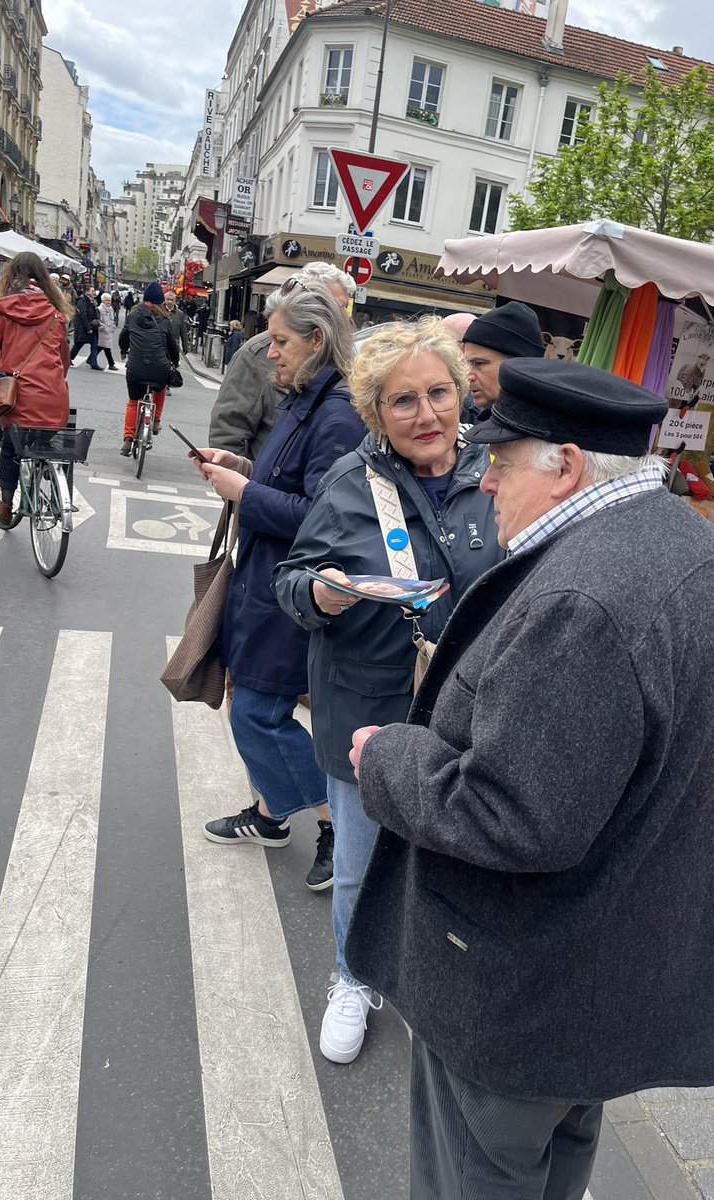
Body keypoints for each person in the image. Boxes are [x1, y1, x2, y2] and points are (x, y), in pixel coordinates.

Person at [345, 358, 714, 1200]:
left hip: (521, 988)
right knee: (556, 1163)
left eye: (500, 465)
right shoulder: (699, 554)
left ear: (566, 465)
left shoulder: (585, 598)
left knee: (475, 1177)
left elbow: (514, 816)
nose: (485, 485)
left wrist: (384, 757)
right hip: (605, 976)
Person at [274, 317, 503, 1064]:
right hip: (366, 702)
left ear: (462, 393)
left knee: (451, 860)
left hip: (469, 712)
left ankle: (435, 976)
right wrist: (324, 594)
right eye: (403, 401)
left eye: (439, 392)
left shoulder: (496, 471)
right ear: (375, 413)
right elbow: (292, 580)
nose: (426, 414)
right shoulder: (349, 483)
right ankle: (353, 976)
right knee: (362, 862)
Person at [193, 282, 366, 890]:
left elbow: (325, 517)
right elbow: (291, 481)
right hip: (266, 582)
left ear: (317, 341)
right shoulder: (303, 398)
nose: (270, 351)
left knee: (258, 713)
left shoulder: (337, 413)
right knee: (255, 705)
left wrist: (246, 495)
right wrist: (240, 467)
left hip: (290, 590)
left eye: (282, 341)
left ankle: (339, 824)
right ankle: (273, 817)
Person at [208, 262, 355, 459]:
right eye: (334, 307)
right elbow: (228, 433)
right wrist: (242, 481)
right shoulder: (256, 355)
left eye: (345, 308)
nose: (342, 317)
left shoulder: (346, 356)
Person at [0, 251, 72, 524]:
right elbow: (63, 361)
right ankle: (47, 477)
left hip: (16, 397)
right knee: (43, 440)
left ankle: (6, 507)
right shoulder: (56, 315)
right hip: (53, 397)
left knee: (10, 446)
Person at [118, 280, 179, 454]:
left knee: (133, 403)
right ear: (160, 301)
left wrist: (123, 350)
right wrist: (174, 362)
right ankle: (157, 419)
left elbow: (123, 337)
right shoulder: (165, 319)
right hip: (159, 367)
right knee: (160, 388)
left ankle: (128, 439)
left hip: (136, 366)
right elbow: (172, 346)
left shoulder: (133, 315)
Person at [461, 300, 545, 419]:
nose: (468, 376)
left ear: (518, 366)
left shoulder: (549, 431)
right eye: (466, 364)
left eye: (478, 363)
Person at [70, 285, 101, 369]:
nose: (94, 292)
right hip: (84, 327)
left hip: (92, 326)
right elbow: (83, 315)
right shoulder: (82, 301)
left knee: (94, 345)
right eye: (92, 291)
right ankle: (69, 358)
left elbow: (94, 313)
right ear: (86, 291)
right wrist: (88, 328)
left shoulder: (93, 301)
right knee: (79, 344)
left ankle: (93, 363)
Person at [96, 292, 119, 371]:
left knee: (101, 347)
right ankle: (111, 364)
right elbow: (98, 320)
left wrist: (113, 326)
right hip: (102, 331)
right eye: (107, 300)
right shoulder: (99, 309)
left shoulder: (110, 309)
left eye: (109, 300)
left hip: (108, 331)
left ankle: (91, 358)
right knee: (106, 348)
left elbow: (112, 319)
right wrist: (102, 327)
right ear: (103, 301)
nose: (108, 302)